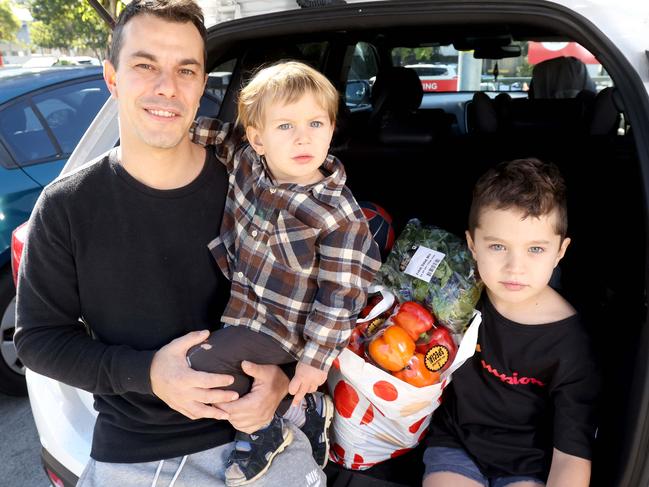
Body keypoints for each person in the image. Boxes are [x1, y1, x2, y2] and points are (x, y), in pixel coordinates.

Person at [14, 1, 327, 486]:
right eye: (145, 66)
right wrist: (149, 374)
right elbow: (37, 341)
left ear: (203, 84)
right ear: (112, 78)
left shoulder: (251, 184)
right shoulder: (65, 207)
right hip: (139, 453)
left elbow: (305, 294)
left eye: (186, 69)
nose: (167, 86)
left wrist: (283, 385)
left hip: (268, 433)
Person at [187, 61, 382, 485]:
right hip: (243, 302)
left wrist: (314, 362)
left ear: (331, 129)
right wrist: (172, 127)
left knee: (202, 362)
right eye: (285, 126)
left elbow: (342, 295)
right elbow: (217, 134)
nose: (303, 137)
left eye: (316, 122)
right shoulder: (247, 160)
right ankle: (304, 411)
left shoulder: (337, 215)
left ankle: (264, 429)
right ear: (257, 138)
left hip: (288, 329)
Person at [423, 158, 599, 487]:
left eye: (535, 249)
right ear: (473, 245)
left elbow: (572, 456)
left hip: (529, 463)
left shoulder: (571, 344)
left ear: (560, 252)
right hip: (456, 444)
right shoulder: (458, 299)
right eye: (498, 246)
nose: (514, 268)